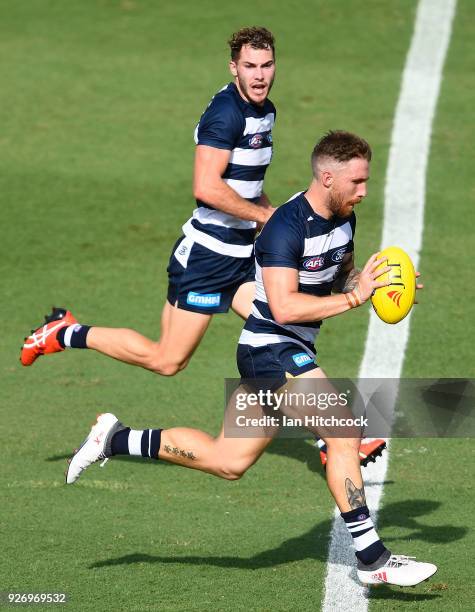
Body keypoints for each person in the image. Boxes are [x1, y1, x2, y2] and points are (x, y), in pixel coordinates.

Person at [65, 131, 436, 587]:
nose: (364, 191)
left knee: (228, 460)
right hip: (270, 349)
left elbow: (337, 277)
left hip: (286, 350)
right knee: (342, 431)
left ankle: (116, 439)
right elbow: (284, 308)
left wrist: (374, 283)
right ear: (327, 176)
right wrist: (357, 301)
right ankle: (373, 558)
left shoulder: (344, 218)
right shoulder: (285, 226)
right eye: (357, 182)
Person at [18, 25, 387, 468]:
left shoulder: (265, 111)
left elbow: (247, 187)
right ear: (234, 67)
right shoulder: (225, 115)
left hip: (241, 253)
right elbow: (207, 187)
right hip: (209, 258)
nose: (259, 75)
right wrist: (270, 219)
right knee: (167, 359)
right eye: (249, 66)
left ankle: (337, 436)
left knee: (277, 330)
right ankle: (66, 332)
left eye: (267, 65)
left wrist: (272, 214)